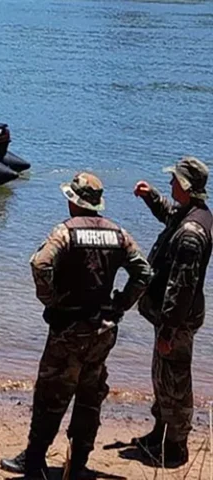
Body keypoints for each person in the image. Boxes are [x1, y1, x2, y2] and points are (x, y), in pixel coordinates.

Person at [0, 173, 152, 479]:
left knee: (50, 395)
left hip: (69, 328)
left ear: (74, 201)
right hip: (102, 329)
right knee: (89, 395)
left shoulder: (66, 232)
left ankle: (34, 460)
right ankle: (78, 463)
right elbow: (144, 273)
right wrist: (121, 303)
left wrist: (51, 299)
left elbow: (40, 264)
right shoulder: (118, 234)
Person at [131, 156, 212, 468]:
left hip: (177, 321)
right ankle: (159, 433)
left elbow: (182, 287)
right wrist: (151, 197)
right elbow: (169, 213)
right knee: (162, 377)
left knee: (175, 382)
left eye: (174, 181)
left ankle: (176, 448)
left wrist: (168, 330)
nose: (170, 184)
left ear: (187, 187)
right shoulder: (191, 213)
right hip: (170, 318)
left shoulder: (192, 231)